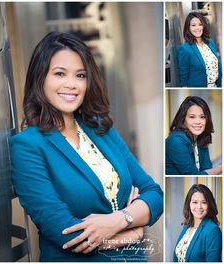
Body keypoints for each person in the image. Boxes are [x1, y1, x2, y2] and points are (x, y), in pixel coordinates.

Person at [10, 31, 163, 262]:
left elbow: (154, 194)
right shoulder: (28, 146)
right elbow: (69, 235)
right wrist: (133, 232)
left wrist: (119, 220)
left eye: (80, 75)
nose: (71, 85)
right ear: (40, 78)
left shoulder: (101, 129)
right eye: (60, 73)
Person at [166, 96, 222, 175]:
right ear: (183, 119)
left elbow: (207, 168)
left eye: (202, 117)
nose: (198, 122)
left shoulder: (200, 138)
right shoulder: (175, 141)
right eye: (192, 117)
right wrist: (221, 168)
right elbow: (193, 174)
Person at [173, 184, 222, 262]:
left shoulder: (213, 231)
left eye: (204, 202)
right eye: (195, 202)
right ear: (189, 204)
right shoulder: (186, 226)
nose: (199, 207)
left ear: (209, 204)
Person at [178, 12, 222, 87]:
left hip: (215, 86)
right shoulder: (185, 48)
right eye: (193, 25)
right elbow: (183, 74)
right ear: (188, 28)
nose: (197, 28)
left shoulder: (210, 42)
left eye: (200, 24)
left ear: (203, 26)